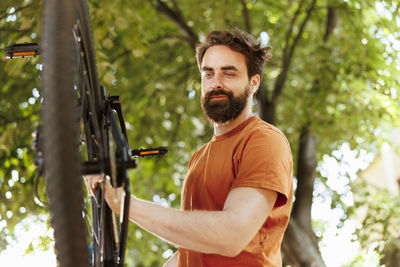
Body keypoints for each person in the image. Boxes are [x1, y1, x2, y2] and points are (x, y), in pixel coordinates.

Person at [86, 29, 293, 267]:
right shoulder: (199, 157)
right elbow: (192, 251)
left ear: (253, 83)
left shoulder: (263, 140)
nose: (216, 83)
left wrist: (125, 204)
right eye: (208, 74)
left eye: (229, 74)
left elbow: (231, 235)